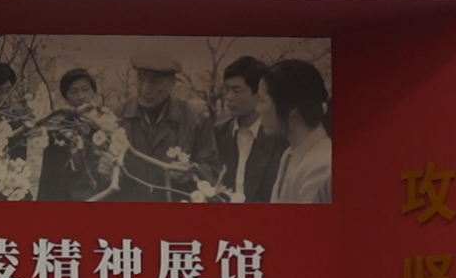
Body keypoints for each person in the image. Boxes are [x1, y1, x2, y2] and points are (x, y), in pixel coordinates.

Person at [115, 54, 217, 201]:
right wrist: (103, 169)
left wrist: (191, 172)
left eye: (154, 82)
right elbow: (93, 169)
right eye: (140, 79)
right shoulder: (117, 115)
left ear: (172, 84)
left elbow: (212, 171)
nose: (145, 89)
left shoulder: (195, 119)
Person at [38, 69, 125, 201]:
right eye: (74, 92)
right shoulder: (58, 131)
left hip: (104, 196)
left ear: (94, 92)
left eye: (85, 90)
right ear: (66, 97)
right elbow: (50, 179)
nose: (81, 96)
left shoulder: (109, 124)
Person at [213, 56, 286, 203]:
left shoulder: (281, 136)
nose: (228, 97)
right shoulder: (218, 133)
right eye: (227, 89)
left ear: (258, 92)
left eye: (236, 90)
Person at [262, 59, 333, 204]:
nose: (258, 109)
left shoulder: (321, 166)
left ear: (291, 108)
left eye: (261, 101)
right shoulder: (290, 153)